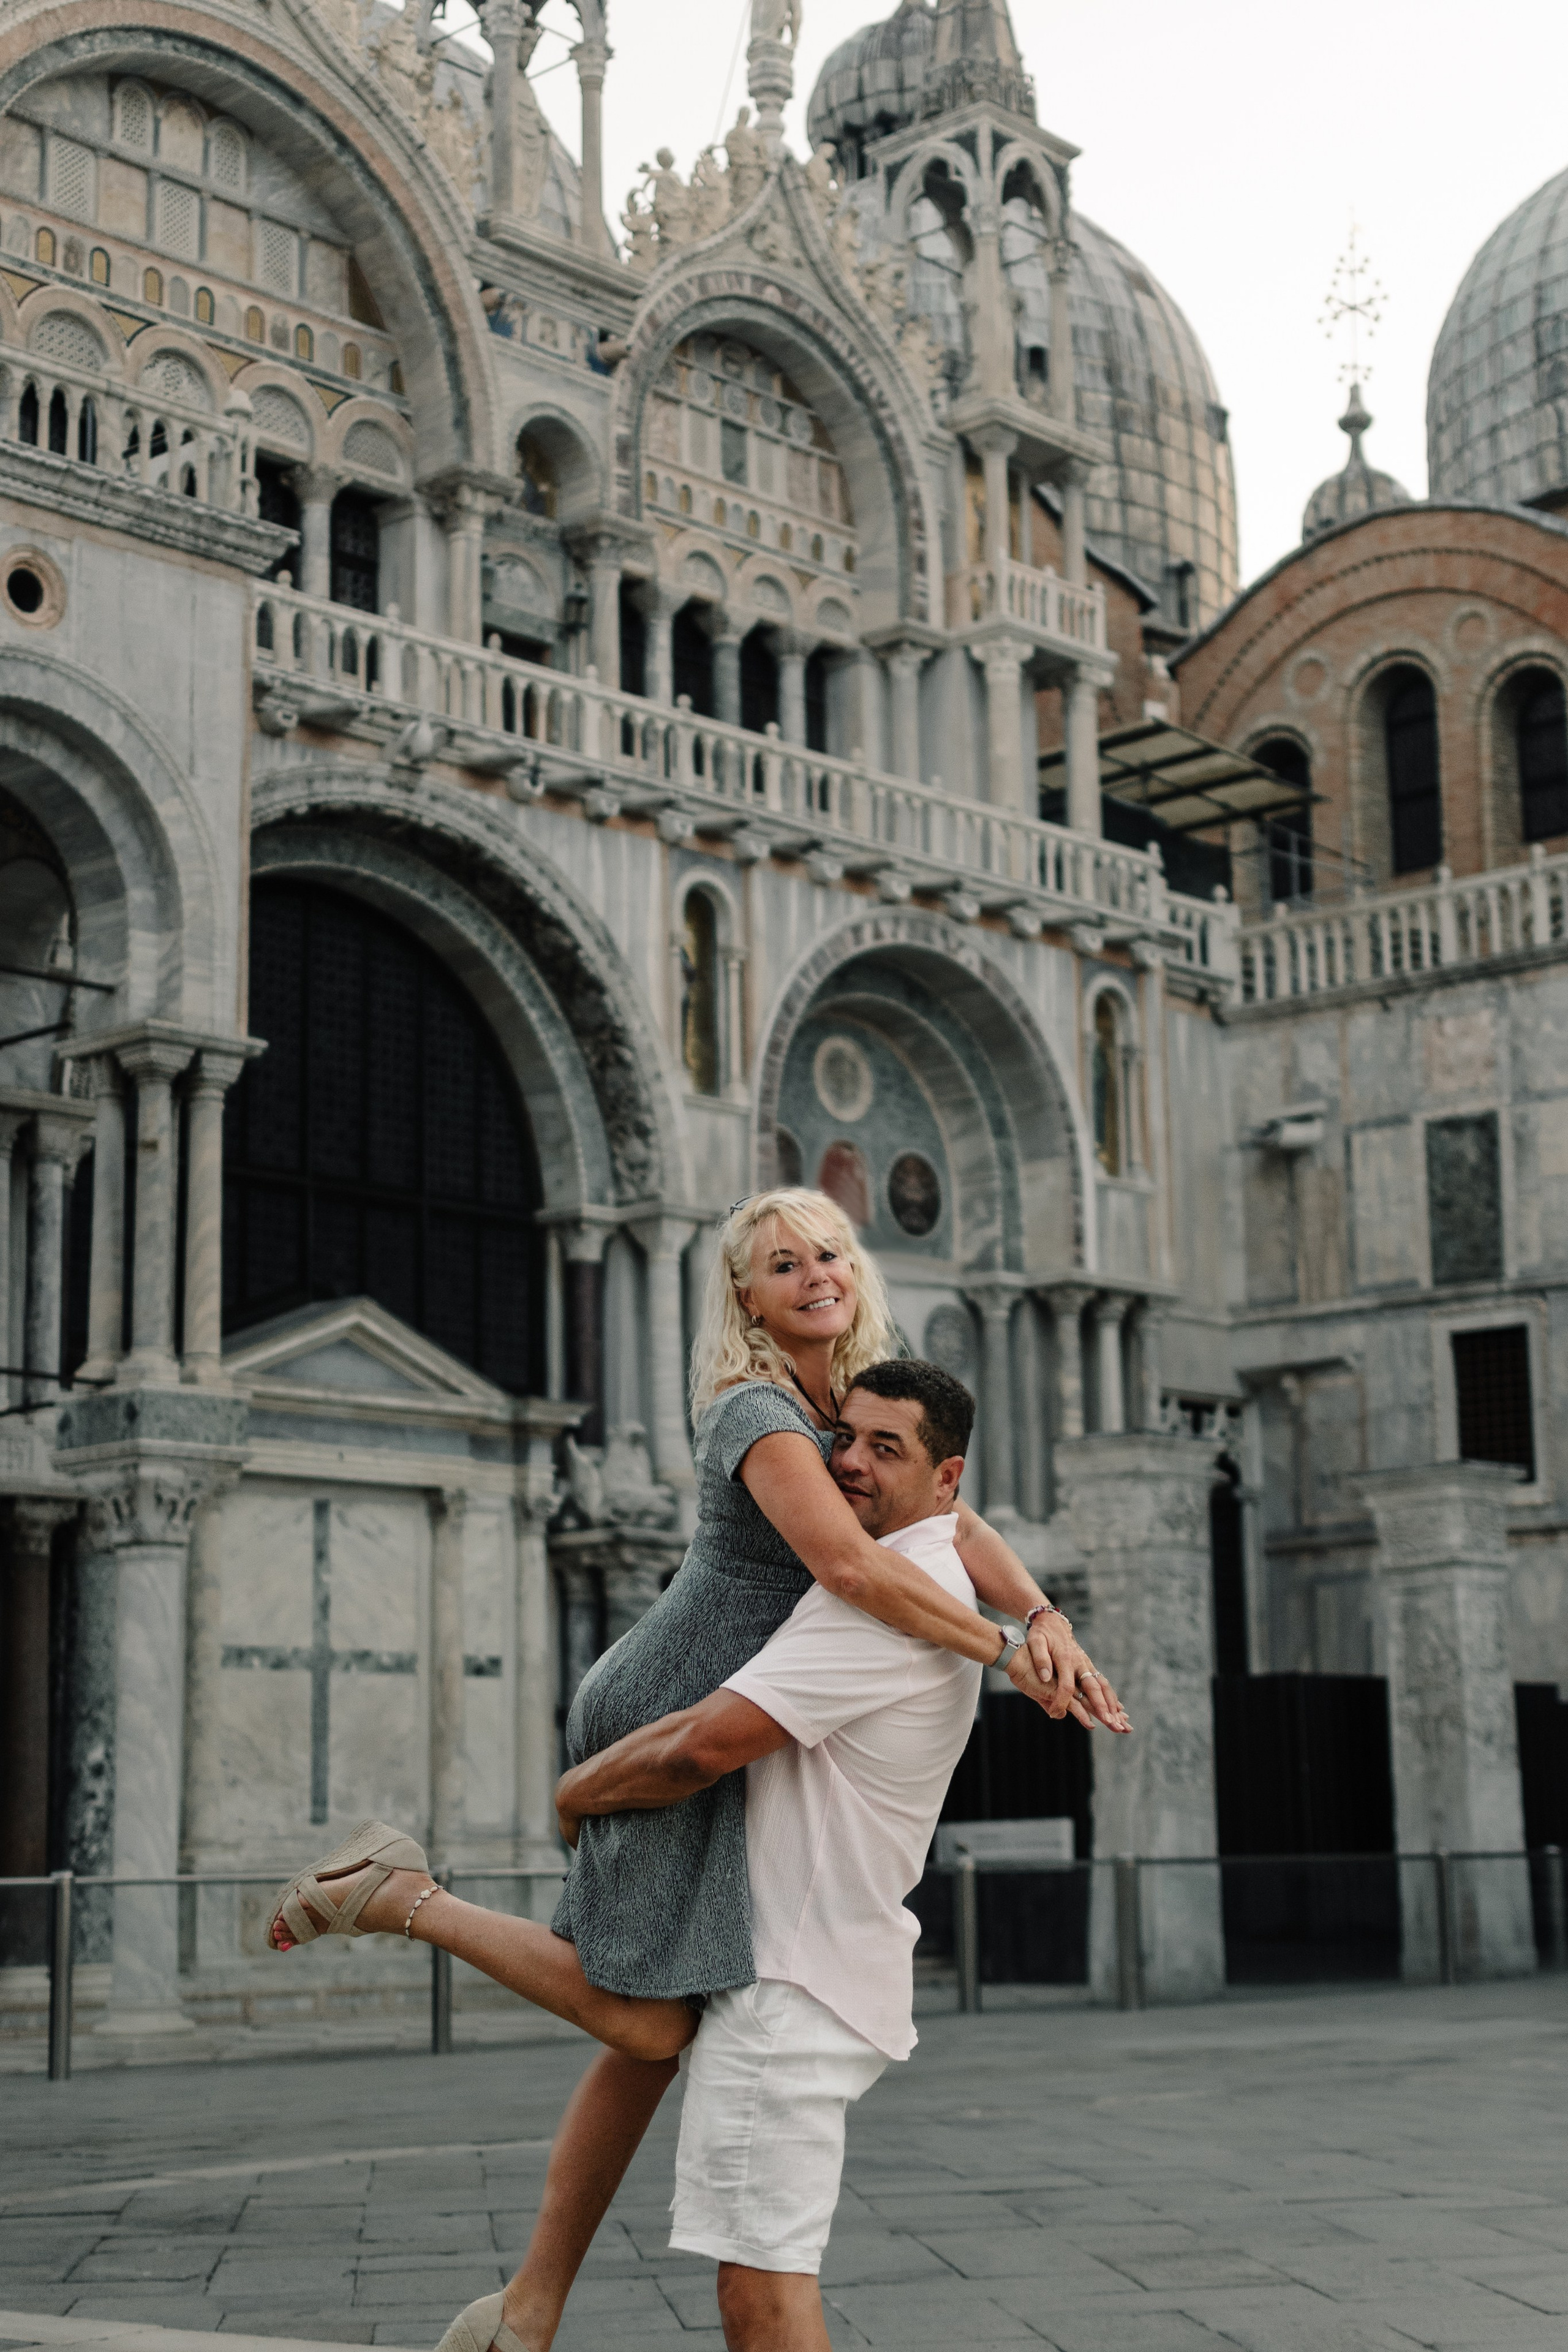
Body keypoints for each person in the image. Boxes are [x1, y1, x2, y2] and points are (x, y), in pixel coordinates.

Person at [265, 1190, 1128, 2342]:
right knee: (652, 2023)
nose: (815, 1272)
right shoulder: (758, 1408)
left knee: (661, 2033)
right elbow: (855, 1574)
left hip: (748, 1710)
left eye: (828, 1251)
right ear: (744, 1296)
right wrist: (1007, 1648)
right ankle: (400, 1895)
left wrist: (1045, 1613)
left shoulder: (856, 1399)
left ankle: (531, 2308)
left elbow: (958, 1528)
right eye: (782, 1263)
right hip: (674, 1701)